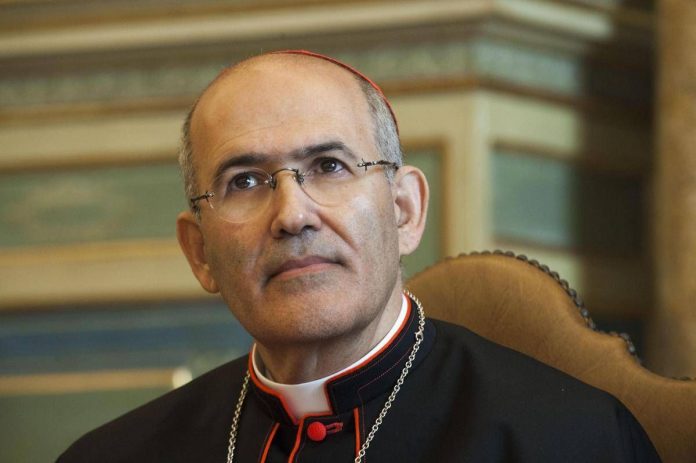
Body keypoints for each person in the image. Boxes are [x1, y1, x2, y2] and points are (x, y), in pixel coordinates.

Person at [57, 50, 661, 462]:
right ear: (200, 253)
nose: (292, 215)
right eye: (245, 181)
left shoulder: (572, 440)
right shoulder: (113, 455)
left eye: (330, 166)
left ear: (404, 211)